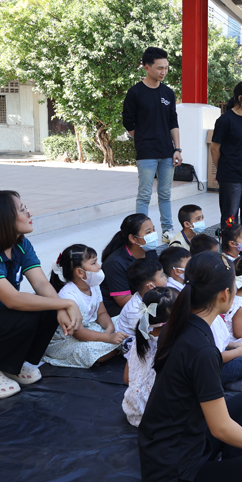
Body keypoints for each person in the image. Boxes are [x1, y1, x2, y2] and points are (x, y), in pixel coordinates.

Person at [138, 251, 242, 482]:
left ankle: (236, 466)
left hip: (184, 441)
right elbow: (221, 428)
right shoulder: (200, 348)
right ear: (224, 294)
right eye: (235, 285)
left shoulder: (182, 323)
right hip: (175, 471)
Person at [0, 191, 83, 399]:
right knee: (24, 313)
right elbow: (13, 300)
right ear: (2, 218)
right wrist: (68, 303)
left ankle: (14, 364)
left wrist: (61, 306)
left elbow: (40, 283)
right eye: (22, 209)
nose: (29, 213)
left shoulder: (21, 244)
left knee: (49, 307)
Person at [122, 47, 181, 245]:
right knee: (144, 195)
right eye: (159, 68)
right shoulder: (135, 92)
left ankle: (167, 230)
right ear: (147, 68)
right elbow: (128, 121)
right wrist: (142, 139)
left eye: (166, 68)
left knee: (165, 194)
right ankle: (142, 233)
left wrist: (177, 149)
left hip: (167, 152)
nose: (164, 72)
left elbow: (173, 121)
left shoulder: (168, 93)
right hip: (146, 152)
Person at [44, 244, 128, 368]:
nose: (99, 266)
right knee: (88, 350)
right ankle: (119, 347)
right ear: (80, 272)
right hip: (70, 338)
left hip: (92, 328)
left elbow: (101, 313)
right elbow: (78, 333)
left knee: (125, 319)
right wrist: (108, 338)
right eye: (94, 263)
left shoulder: (94, 285)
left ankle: (116, 346)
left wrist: (109, 328)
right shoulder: (68, 295)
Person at [210, 81, 242, 232]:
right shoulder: (225, 120)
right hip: (230, 175)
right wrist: (222, 171)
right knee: (230, 216)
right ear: (240, 98)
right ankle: (229, 243)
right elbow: (214, 149)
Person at [122, 286, 176, 427]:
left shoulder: (140, 339)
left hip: (133, 412)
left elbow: (126, 378)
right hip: (159, 417)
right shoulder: (174, 345)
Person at [101, 213, 159, 316]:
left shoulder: (150, 251)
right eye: (148, 232)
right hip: (121, 310)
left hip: (147, 299)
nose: (154, 234)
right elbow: (123, 299)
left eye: (153, 230)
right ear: (133, 238)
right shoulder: (115, 263)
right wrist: (157, 300)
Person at [114, 258, 168, 338]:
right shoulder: (134, 310)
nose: (165, 278)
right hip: (132, 340)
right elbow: (144, 333)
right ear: (151, 286)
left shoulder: (154, 295)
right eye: (162, 275)